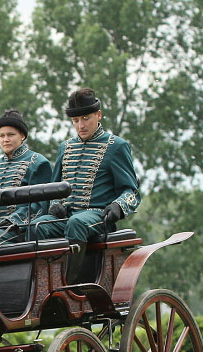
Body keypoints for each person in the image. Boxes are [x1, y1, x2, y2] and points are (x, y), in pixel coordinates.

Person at [30, 88, 140, 282]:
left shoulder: (116, 146)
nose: (81, 125)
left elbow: (131, 191)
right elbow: (56, 186)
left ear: (99, 115)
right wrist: (57, 205)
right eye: (76, 121)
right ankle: (41, 283)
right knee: (37, 226)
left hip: (98, 217)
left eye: (86, 118)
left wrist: (118, 206)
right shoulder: (65, 147)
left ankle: (68, 285)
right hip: (69, 216)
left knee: (77, 223)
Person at [0, 109, 52, 246]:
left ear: (22, 136)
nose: (5, 140)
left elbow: (39, 206)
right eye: (2, 136)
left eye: (10, 135)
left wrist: (12, 221)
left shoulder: (37, 163)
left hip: (19, 227)